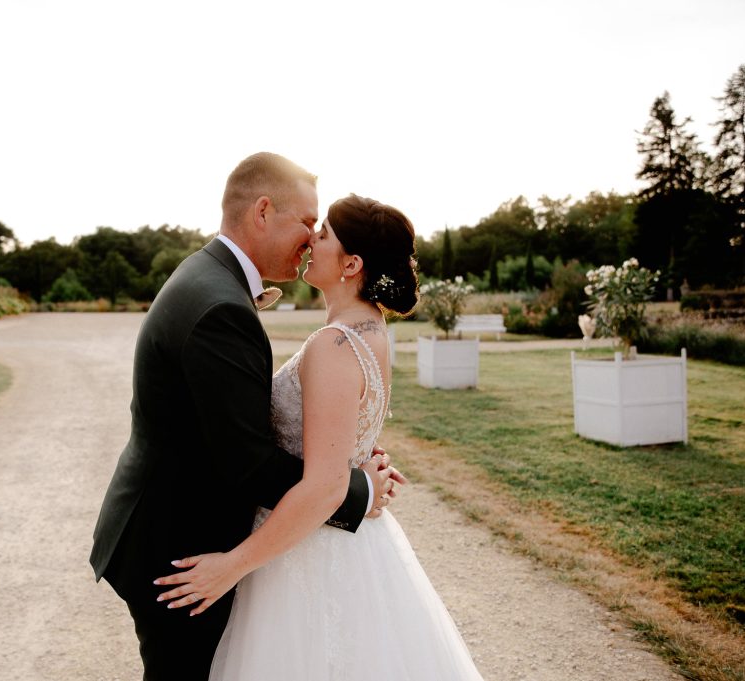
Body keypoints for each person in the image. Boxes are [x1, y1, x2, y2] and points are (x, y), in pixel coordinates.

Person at [88, 154, 401, 680]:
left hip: (174, 527)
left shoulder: (208, 277)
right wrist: (357, 490)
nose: (310, 238)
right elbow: (249, 463)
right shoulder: (221, 307)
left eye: (320, 230)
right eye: (307, 222)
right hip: (180, 548)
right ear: (262, 212)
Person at [155, 194, 487, 680]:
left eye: (325, 232)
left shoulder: (334, 344)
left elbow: (325, 486)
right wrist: (361, 479)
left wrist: (232, 566)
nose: (312, 238)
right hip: (339, 539)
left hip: (306, 553)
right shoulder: (370, 328)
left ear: (352, 263)